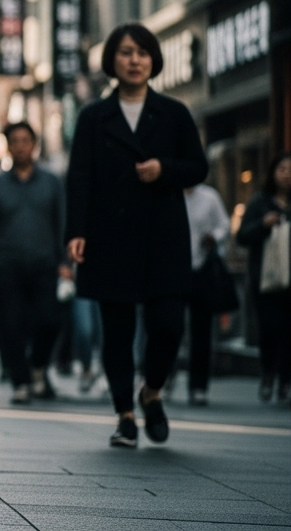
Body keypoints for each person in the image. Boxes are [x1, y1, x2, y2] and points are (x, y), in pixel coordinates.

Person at [66, 24, 208, 448]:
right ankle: (125, 414)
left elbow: (198, 167)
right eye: (126, 52)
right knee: (118, 331)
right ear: (112, 60)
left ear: (154, 60)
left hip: (163, 237)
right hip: (110, 237)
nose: (134, 60)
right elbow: (79, 178)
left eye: (143, 52)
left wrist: (165, 169)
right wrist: (76, 231)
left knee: (168, 324)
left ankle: (152, 391)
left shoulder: (175, 113)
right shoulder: (93, 116)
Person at [0, 122, 69, 405]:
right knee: (10, 325)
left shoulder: (51, 182)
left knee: (50, 320)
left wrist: (65, 262)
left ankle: (38, 365)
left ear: (35, 144)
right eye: (15, 140)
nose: (21, 145)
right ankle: (21, 381)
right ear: (8, 145)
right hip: (7, 266)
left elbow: (62, 223)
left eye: (26, 140)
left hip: (45, 265)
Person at [235, 153, 291, 404]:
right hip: (266, 280)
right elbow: (242, 236)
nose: (287, 174)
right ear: (273, 172)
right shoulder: (260, 202)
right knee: (270, 329)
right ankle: (268, 373)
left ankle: (285, 381)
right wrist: (263, 225)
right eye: (282, 168)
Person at [183, 182, 230, 406]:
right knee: (169, 327)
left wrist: (213, 236)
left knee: (201, 331)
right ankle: (160, 379)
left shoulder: (209, 197)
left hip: (202, 270)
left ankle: (198, 386)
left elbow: (224, 225)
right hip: (173, 270)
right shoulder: (169, 194)